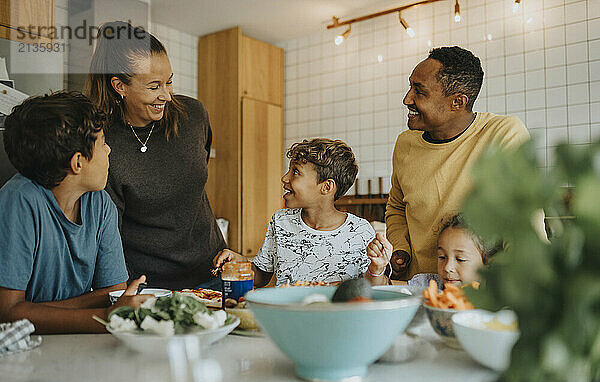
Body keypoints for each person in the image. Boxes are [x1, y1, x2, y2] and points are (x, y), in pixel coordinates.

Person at [84, 22, 226, 290]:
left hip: (212, 273)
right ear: (119, 86)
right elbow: (109, 229)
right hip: (150, 287)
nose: (167, 96)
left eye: (169, 82)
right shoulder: (101, 142)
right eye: (154, 86)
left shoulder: (194, 116)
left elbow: (195, 174)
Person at [0, 92, 149, 334]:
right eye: (102, 143)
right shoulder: (19, 200)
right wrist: (104, 316)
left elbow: (113, 294)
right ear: (77, 162)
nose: (109, 150)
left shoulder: (100, 204)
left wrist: (38, 310)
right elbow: (8, 313)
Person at [385, 46, 530, 280]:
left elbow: (524, 220)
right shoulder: (405, 143)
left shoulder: (502, 134)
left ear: (457, 102)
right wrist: (400, 248)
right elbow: (397, 207)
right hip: (418, 286)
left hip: (480, 292)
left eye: (419, 92)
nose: (407, 99)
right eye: (410, 86)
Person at [213, 138, 376, 286]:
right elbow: (261, 276)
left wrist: (378, 268)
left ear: (326, 187)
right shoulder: (281, 221)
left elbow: (377, 286)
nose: (285, 178)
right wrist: (238, 262)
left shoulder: (360, 231)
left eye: (296, 172)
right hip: (287, 316)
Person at [366, 214, 496, 287]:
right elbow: (383, 286)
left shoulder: (497, 297)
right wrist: (376, 268)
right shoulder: (429, 284)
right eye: (442, 257)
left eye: (460, 259)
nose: (448, 267)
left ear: (486, 261)